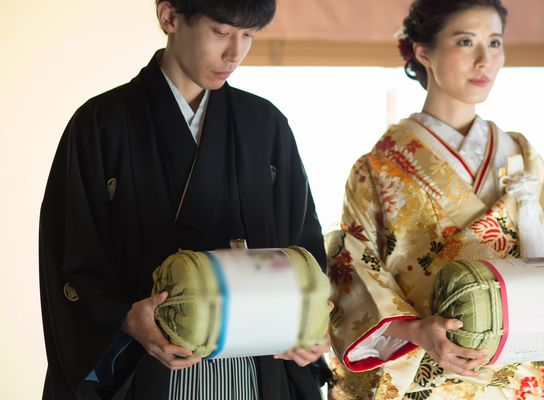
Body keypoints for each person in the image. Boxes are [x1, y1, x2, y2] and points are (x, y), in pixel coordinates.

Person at [326, 0, 544, 398]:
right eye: (466, 42)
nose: (485, 60)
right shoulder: (378, 168)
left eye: (495, 42)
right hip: (436, 368)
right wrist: (415, 329)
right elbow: (355, 266)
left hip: (528, 373)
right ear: (424, 52)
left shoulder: (521, 155)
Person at [39, 1, 330, 399]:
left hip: (255, 374)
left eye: (248, 35)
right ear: (170, 17)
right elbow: (71, 259)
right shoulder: (101, 123)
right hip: (149, 370)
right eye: (221, 32)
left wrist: (308, 321)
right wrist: (126, 319)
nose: (235, 53)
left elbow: (304, 249)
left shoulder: (266, 124)